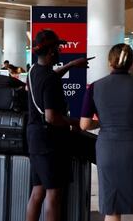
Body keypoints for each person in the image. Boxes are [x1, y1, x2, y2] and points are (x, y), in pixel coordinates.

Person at [26, 29, 90, 221]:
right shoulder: (50, 79)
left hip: (34, 139)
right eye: (58, 48)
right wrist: (74, 122)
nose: (60, 51)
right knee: (54, 195)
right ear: (52, 51)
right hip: (49, 142)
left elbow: (50, 77)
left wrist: (70, 65)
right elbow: (52, 117)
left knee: (38, 192)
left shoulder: (33, 71)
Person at [80, 43, 133, 221]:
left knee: (112, 206)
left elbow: (84, 125)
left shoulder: (95, 87)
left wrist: (102, 122)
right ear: (131, 63)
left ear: (110, 63)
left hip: (108, 150)